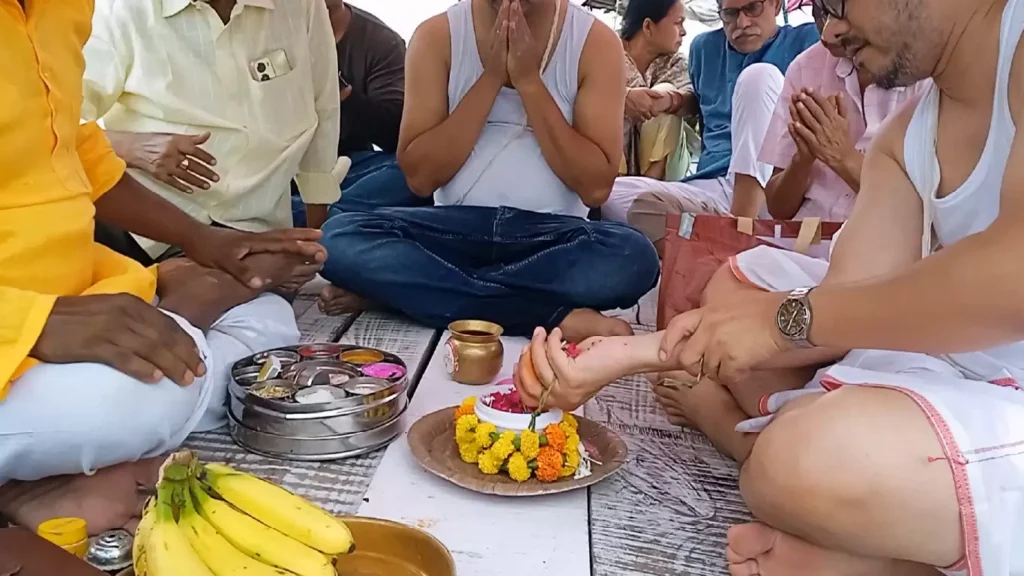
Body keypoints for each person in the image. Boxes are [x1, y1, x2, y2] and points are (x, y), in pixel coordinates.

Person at [515, 0, 1024, 571]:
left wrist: (782, 325)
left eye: (838, 4)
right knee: (742, 303)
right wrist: (633, 354)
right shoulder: (907, 137)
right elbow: (848, 296)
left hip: (995, 383)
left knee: (798, 460)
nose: (830, 32)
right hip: (950, 367)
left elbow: (1011, 281)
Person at [0, 0, 328, 536]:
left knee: (272, 320)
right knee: (122, 405)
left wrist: (205, 243)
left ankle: (172, 325)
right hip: (30, 322)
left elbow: (73, 147)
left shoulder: (64, 8)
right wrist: (30, 321)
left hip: (91, 290)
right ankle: (32, 483)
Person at [314, 0, 661, 339]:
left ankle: (414, 292)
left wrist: (529, 83)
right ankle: (546, 315)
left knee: (634, 258)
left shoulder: (594, 42)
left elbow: (595, 188)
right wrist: (491, 76)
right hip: (453, 231)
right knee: (336, 239)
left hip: (551, 238)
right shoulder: (437, 36)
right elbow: (421, 179)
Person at [83, 0, 344, 264]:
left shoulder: (301, 7)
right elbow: (58, 125)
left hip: (249, 230)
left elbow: (324, 107)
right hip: (136, 220)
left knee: (235, 285)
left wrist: (315, 241)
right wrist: (129, 147)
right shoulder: (120, 9)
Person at [604, 0, 819, 252]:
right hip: (713, 190)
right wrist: (672, 100)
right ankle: (726, 240)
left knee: (759, 77)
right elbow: (700, 101)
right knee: (609, 195)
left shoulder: (808, 41)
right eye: (730, 14)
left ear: (774, 4)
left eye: (752, 9)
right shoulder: (704, 49)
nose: (742, 23)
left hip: (776, 188)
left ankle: (739, 226)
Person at [761, 3, 928, 220]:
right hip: (802, 244)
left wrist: (842, 157)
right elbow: (778, 209)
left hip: (881, 247)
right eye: (822, 13)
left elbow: (925, 213)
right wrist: (803, 160)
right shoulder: (806, 67)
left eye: (840, 12)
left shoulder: (930, 79)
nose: (827, 35)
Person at [292, 0, 430, 230]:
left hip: (349, 168)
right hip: (276, 168)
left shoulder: (382, 42)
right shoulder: (257, 32)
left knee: (416, 171)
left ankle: (305, 216)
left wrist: (340, 91)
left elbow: (397, 136)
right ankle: (336, 221)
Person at [618, 0, 699, 181]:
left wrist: (668, 101)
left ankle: (650, 186)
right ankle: (614, 182)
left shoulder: (677, 63)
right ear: (648, 26)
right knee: (606, 100)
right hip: (611, 160)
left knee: (666, 93)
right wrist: (623, 98)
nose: (684, 31)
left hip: (667, 168)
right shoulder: (608, 51)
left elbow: (693, 100)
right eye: (678, 23)